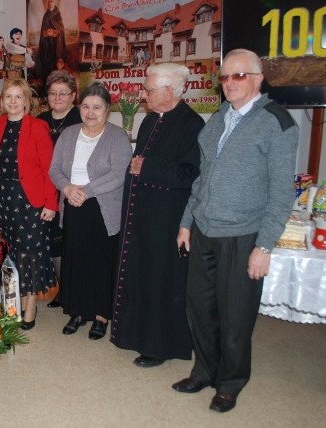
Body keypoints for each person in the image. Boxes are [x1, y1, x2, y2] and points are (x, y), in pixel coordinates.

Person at [173, 49, 298, 413]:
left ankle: (230, 382)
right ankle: (204, 371)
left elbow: (280, 192)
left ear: (258, 79)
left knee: (235, 316)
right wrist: (186, 222)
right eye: (224, 77)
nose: (229, 83)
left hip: (244, 235)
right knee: (199, 309)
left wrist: (264, 246)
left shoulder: (277, 121)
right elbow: (202, 180)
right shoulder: (217, 119)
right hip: (205, 229)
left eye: (238, 76)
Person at [110, 63, 204, 367]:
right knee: (140, 275)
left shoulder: (193, 125)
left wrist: (146, 168)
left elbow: (191, 175)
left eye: (149, 89)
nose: (143, 94)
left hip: (167, 218)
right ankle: (132, 335)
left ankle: (159, 346)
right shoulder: (150, 121)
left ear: (168, 91)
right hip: (142, 213)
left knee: (161, 280)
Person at [49, 82, 132, 340]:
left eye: (97, 107)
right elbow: (55, 170)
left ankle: (100, 315)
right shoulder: (69, 134)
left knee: (101, 262)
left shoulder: (118, 136)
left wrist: (85, 190)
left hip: (101, 208)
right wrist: (66, 188)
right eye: (86, 106)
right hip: (72, 205)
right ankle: (77, 311)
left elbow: (119, 174)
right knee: (75, 260)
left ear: (107, 110)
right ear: (79, 107)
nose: (91, 112)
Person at [0, 77, 57, 330]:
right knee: (12, 253)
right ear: (2, 101)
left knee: (30, 253)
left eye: (18, 97)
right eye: (8, 97)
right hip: (7, 200)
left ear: (26, 102)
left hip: (31, 200)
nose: (13, 102)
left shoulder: (37, 127)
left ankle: (30, 306)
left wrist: (51, 204)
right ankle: (16, 300)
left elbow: (49, 169)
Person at [36, 70, 82, 308]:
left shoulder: (80, 119)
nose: (57, 97)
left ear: (73, 95)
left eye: (63, 93)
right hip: (46, 188)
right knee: (53, 240)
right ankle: (62, 289)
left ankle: (74, 291)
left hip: (72, 187)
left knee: (71, 240)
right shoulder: (40, 119)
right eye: (53, 93)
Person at [39, 0, 67, 88]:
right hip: (47, 46)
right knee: (47, 65)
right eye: (49, 2)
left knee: (55, 65)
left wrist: (55, 33)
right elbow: (43, 30)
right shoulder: (46, 15)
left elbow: (61, 29)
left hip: (56, 46)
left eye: (52, 2)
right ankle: (47, 85)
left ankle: (55, 85)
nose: (50, 4)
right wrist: (46, 33)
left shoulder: (57, 15)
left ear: (54, 3)